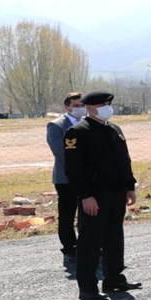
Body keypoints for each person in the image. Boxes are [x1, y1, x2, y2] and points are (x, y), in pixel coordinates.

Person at [63, 91, 141, 300]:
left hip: (117, 193)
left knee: (114, 238)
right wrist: (86, 196)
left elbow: (125, 160)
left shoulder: (114, 129)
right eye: (103, 104)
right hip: (94, 196)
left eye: (109, 104)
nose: (108, 107)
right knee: (90, 242)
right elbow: (73, 170)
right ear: (89, 108)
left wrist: (129, 186)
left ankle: (114, 279)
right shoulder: (77, 132)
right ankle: (87, 288)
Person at [46, 91, 85, 264]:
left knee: (87, 214)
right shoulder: (56, 126)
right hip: (66, 178)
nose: (80, 109)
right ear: (66, 107)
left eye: (82, 105)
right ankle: (70, 249)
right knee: (67, 215)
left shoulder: (87, 123)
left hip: (87, 178)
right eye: (76, 106)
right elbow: (60, 153)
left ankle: (88, 247)